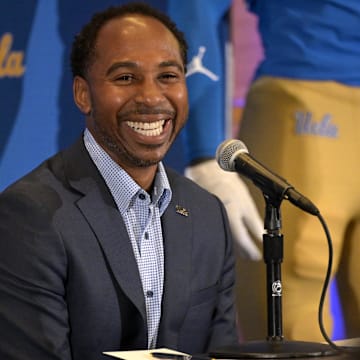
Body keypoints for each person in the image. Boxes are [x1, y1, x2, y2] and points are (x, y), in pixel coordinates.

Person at [0, 3, 239, 359]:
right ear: (83, 94)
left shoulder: (208, 214)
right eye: (126, 78)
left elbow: (223, 353)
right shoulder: (31, 214)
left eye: (168, 76)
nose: (151, 97)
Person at [237, 0, 360, 342]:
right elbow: (201, 10)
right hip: (298, 99)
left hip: (301, 106)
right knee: (292, 332)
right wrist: (201, 148)